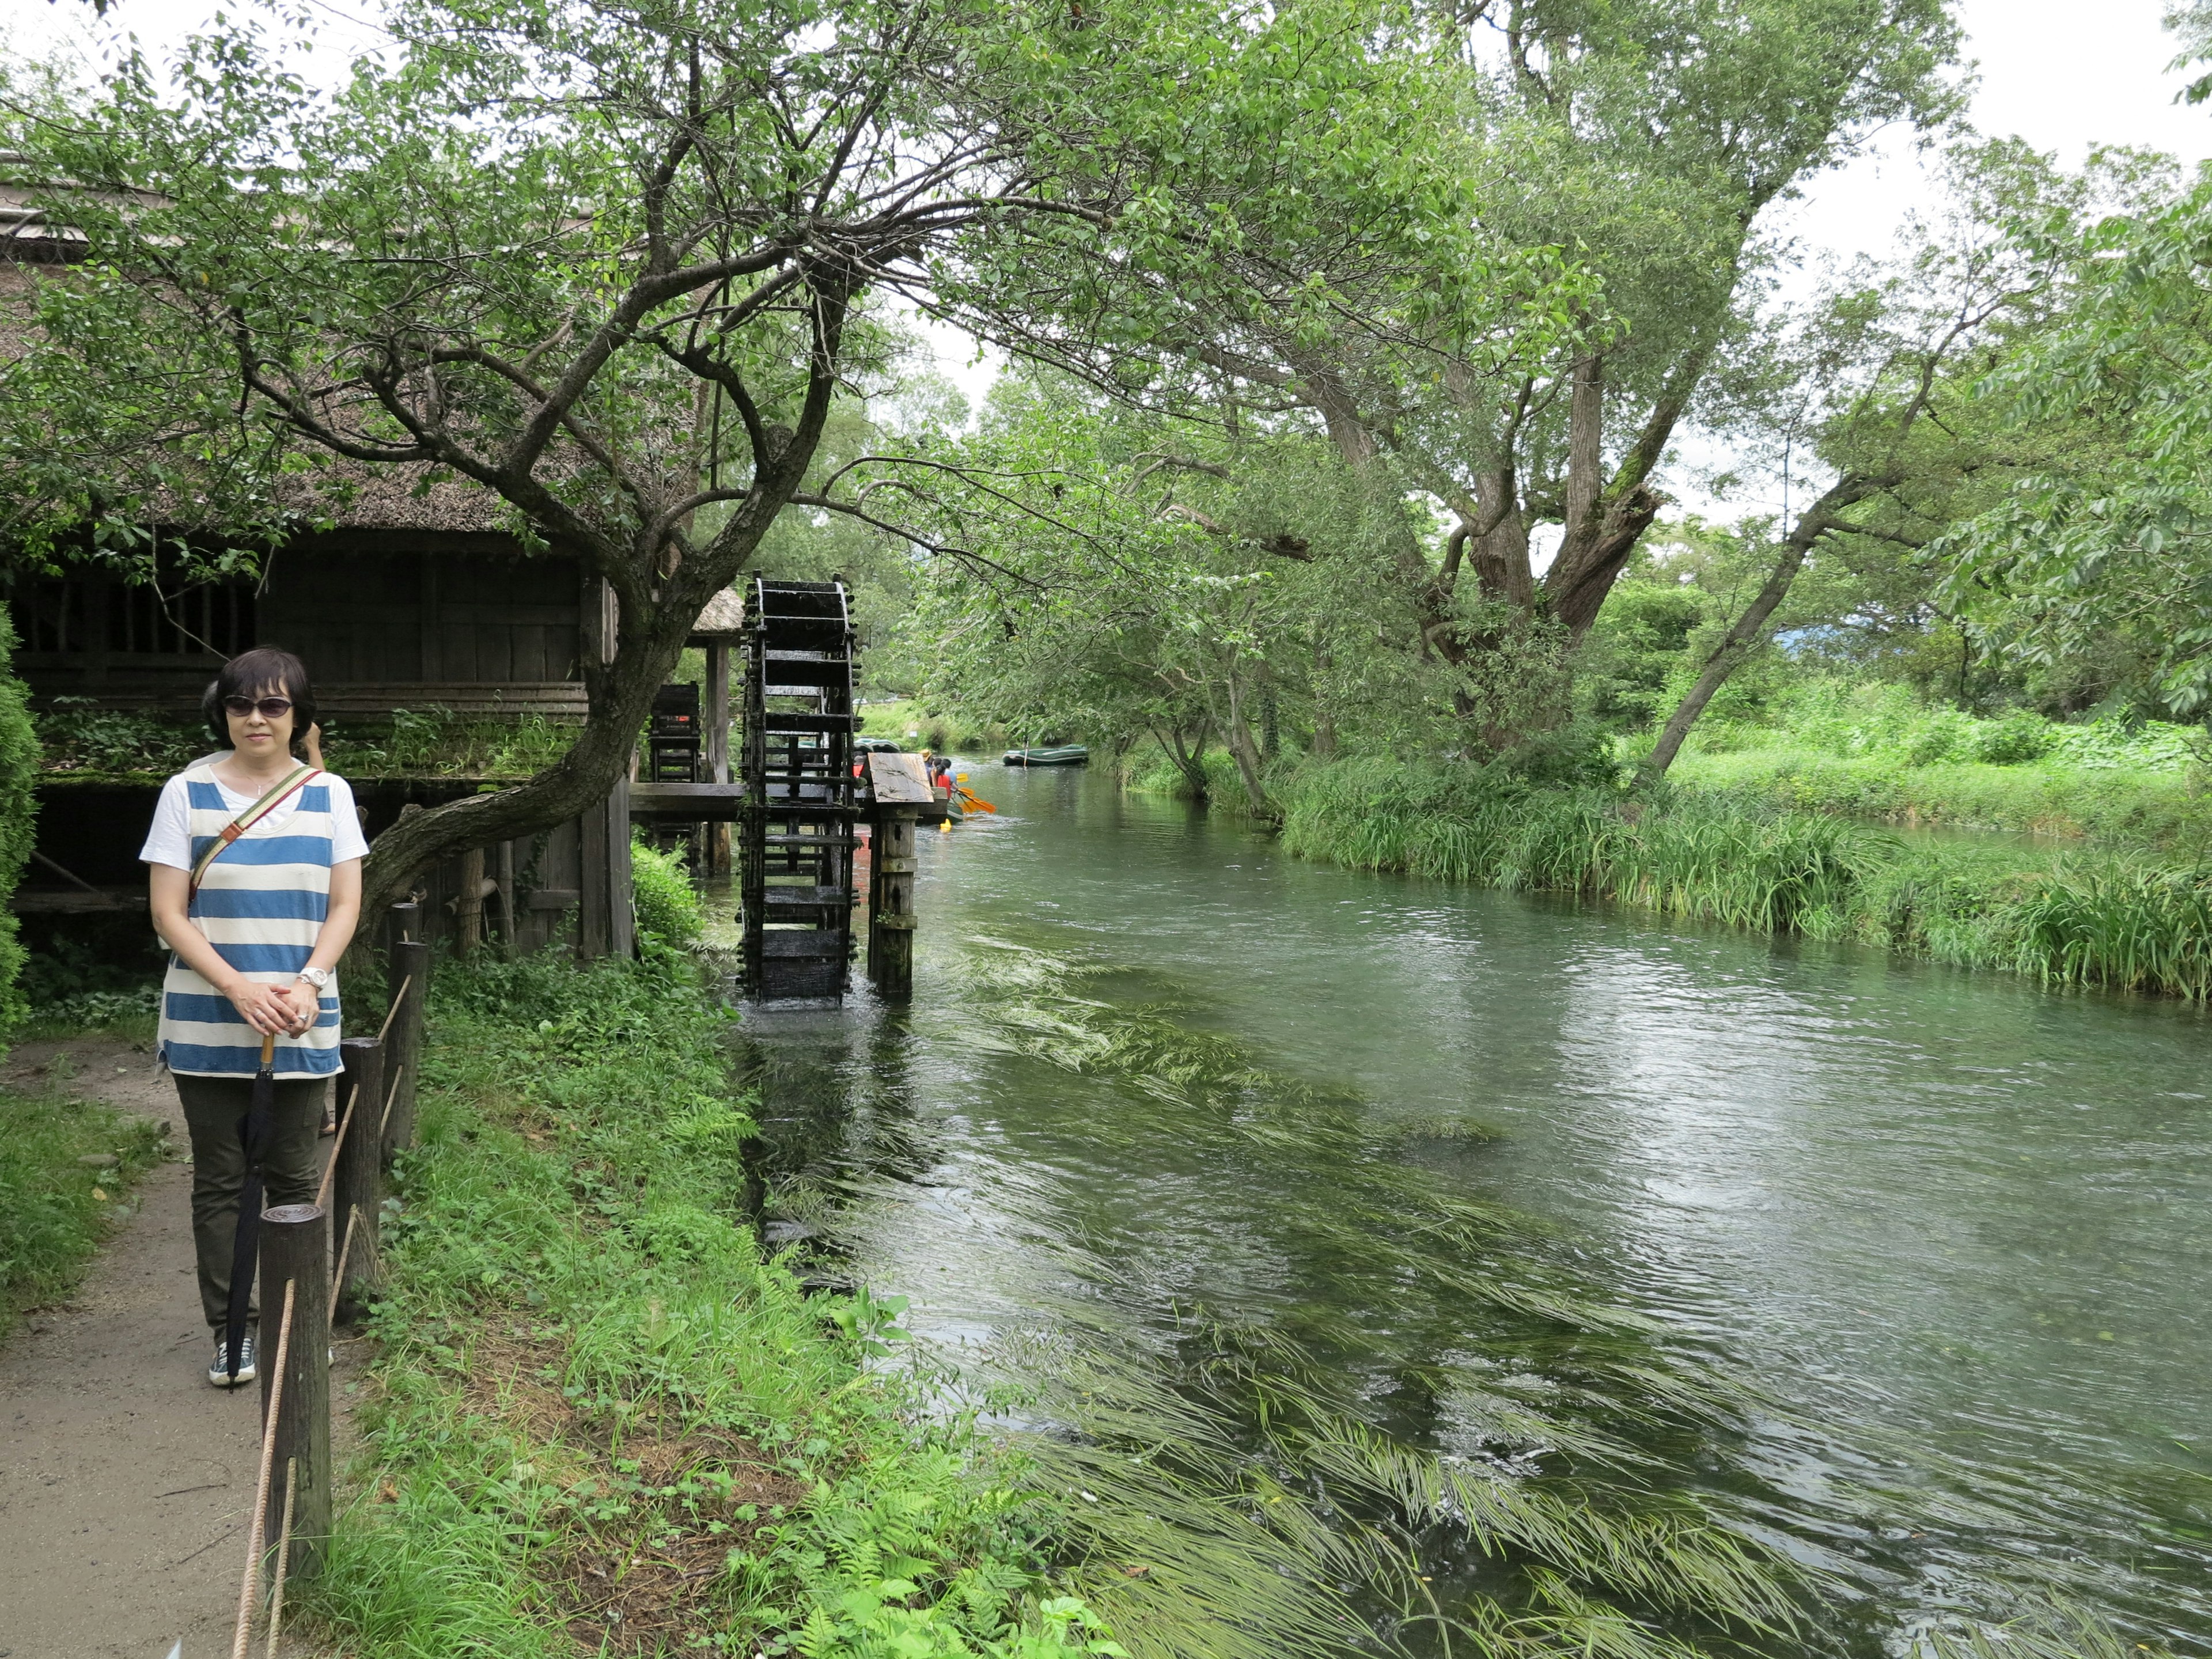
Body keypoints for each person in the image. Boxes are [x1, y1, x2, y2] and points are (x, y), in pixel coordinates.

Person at [141, 648, 368, 1388]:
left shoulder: (330, 793)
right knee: (220, 1178)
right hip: (208, 1018)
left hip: (302, 1017)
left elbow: (344, 904)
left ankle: (295, 1329)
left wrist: (308, 981)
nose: (257, 718)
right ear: (224, 713)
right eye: (242, 705)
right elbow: (169, 913)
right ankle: (232, 1330)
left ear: (299, 715)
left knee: (294, 1179)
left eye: (273, 706)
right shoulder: (186, 791)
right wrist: (238, 987)